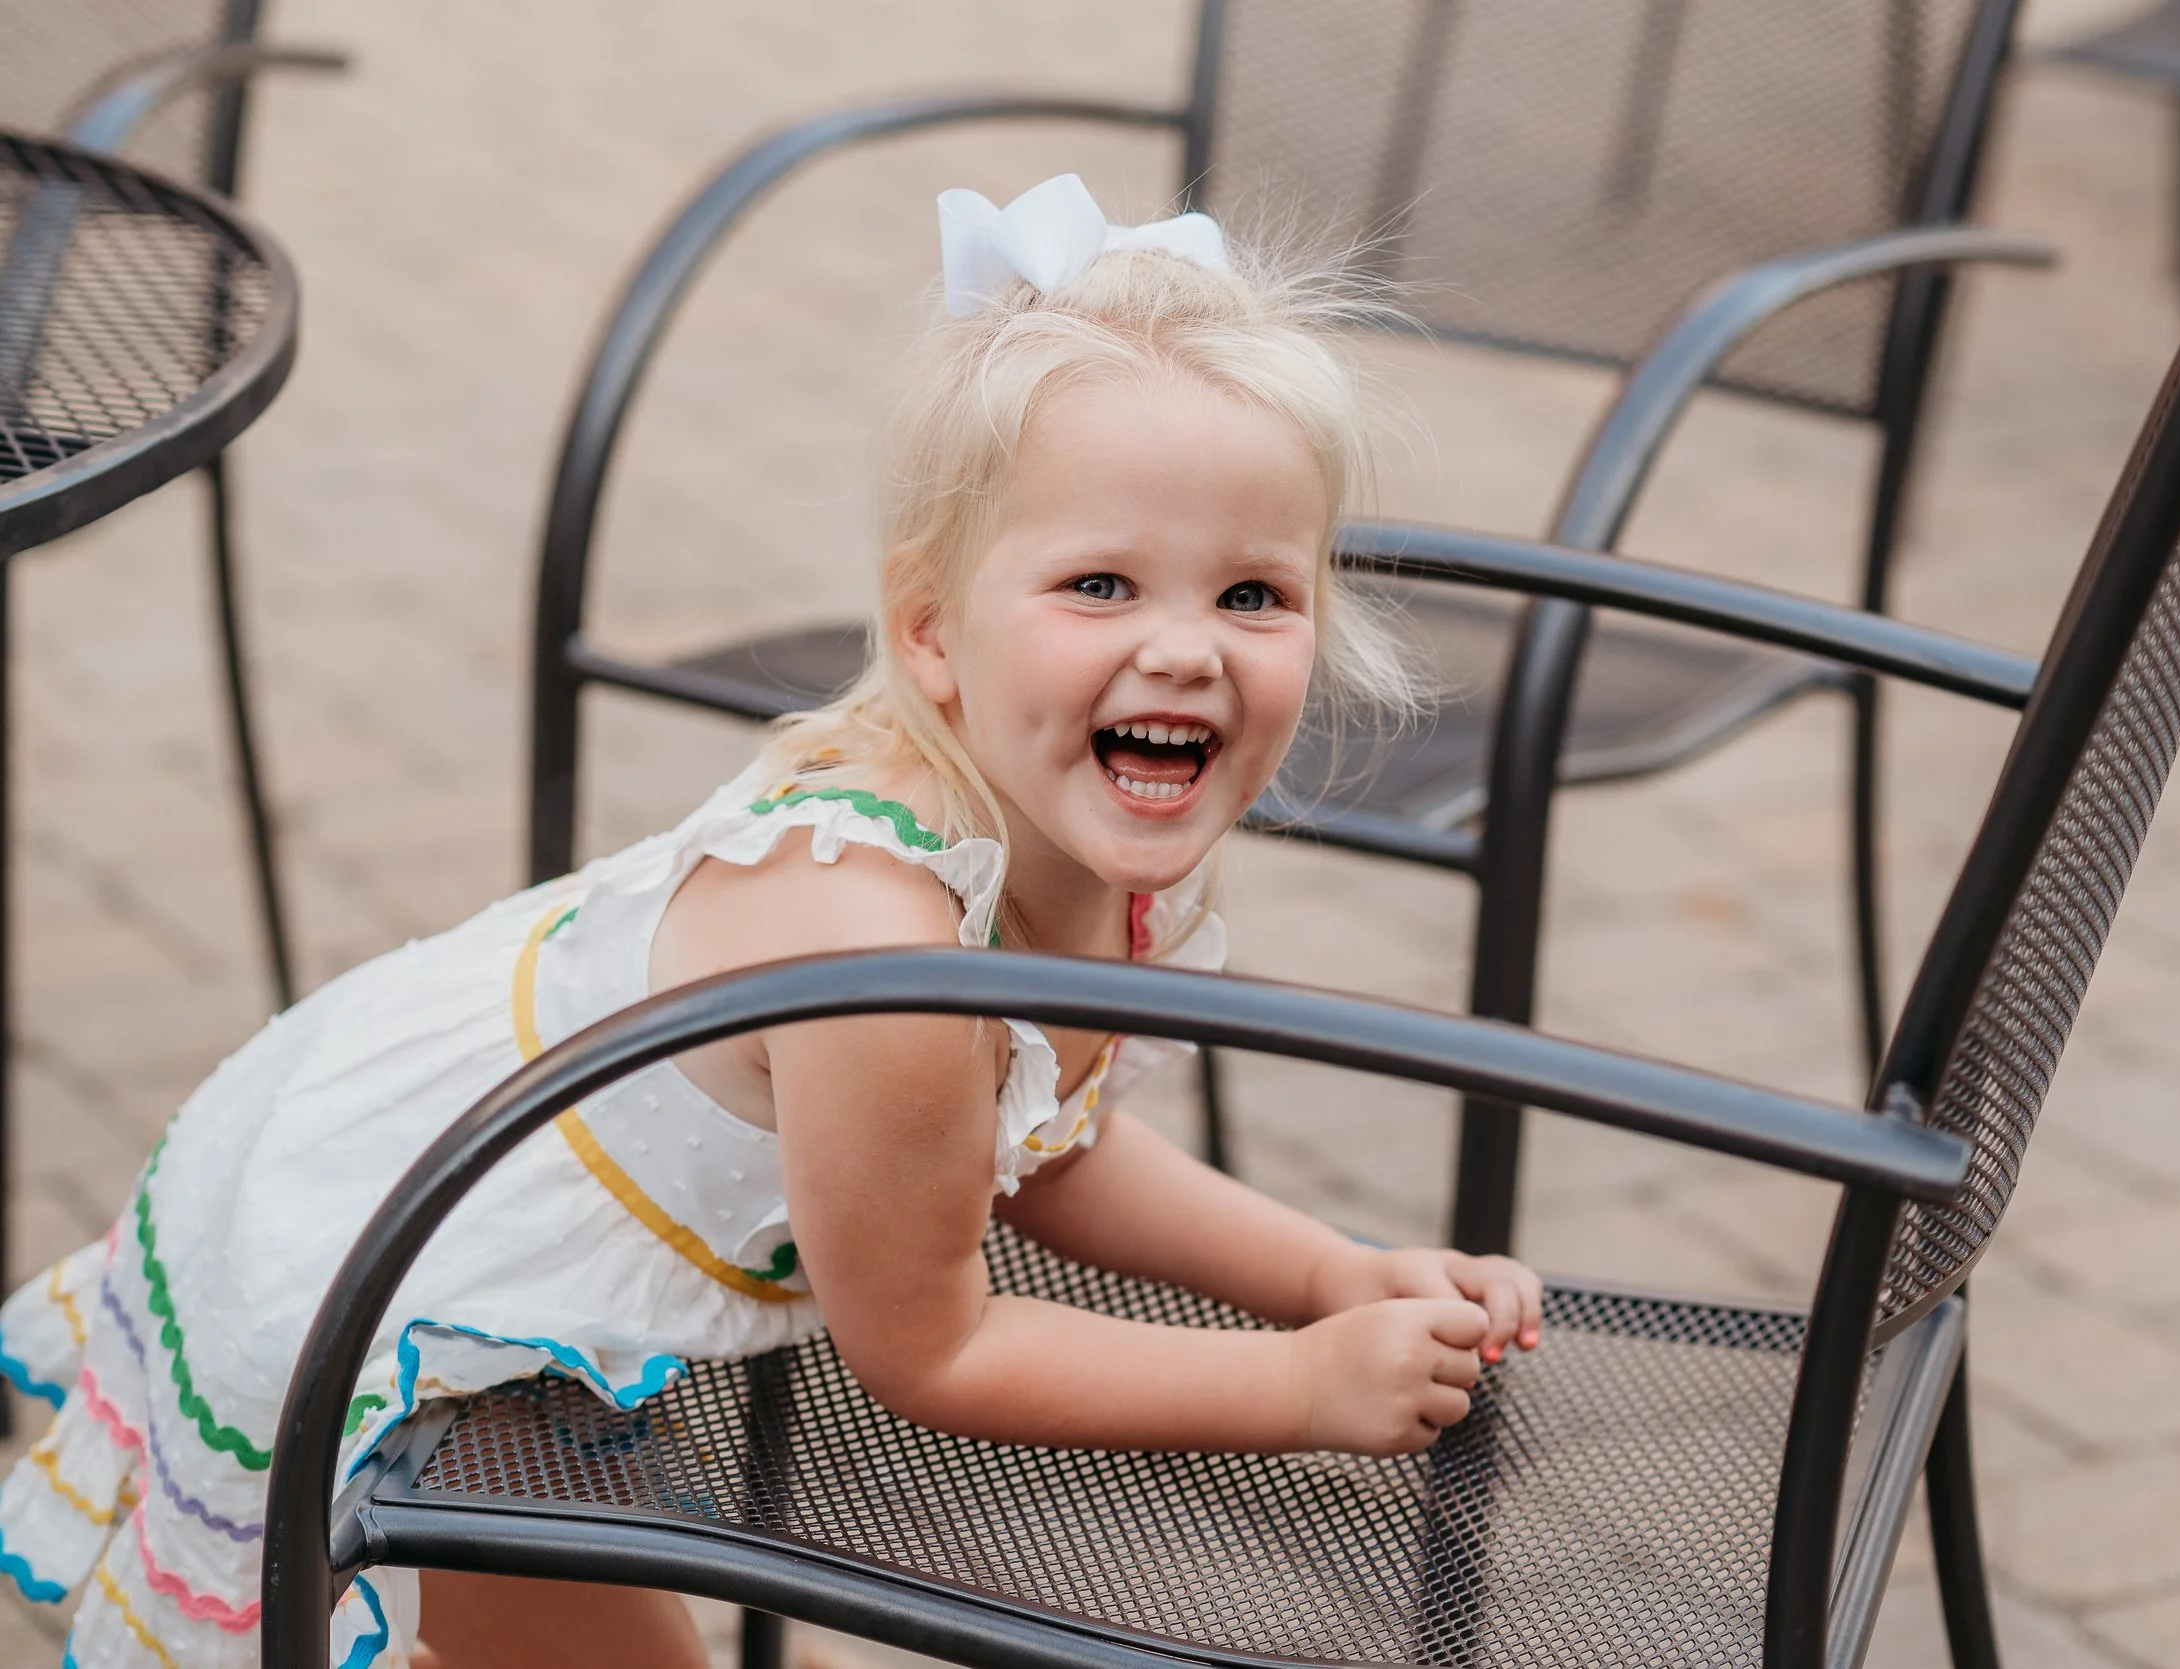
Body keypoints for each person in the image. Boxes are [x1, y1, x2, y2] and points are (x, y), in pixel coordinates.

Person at [0, 175, 1542, 1669]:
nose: (1186, 651)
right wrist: (1293, 1384)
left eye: (1253, 597)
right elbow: (935, 1347)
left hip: (461, 1193)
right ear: (931, 632)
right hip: (402, 1289)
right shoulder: (880, 947)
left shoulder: (1072, 838)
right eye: (1100, 584)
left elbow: (1043, 1146)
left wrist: (1330, 1272)